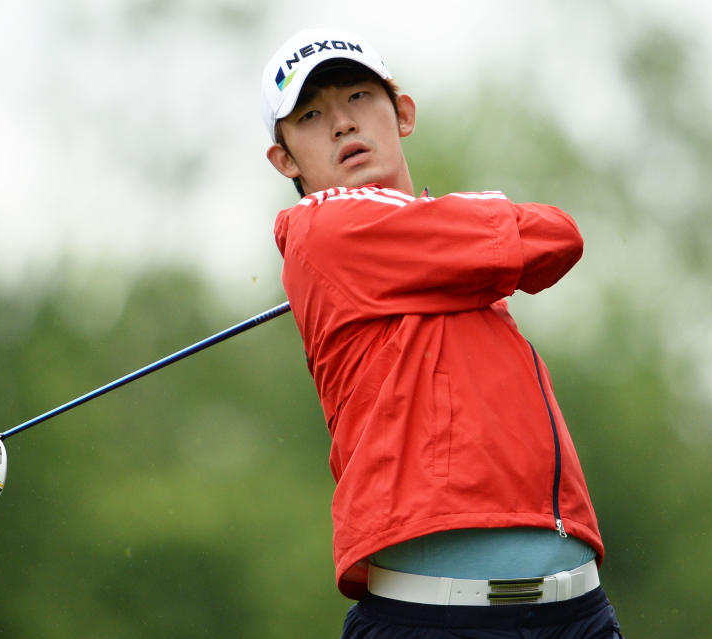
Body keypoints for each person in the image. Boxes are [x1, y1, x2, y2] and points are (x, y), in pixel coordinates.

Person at [261, 28, 624, 638]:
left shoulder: (439, 251)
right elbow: (552, 233)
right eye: (312, 114)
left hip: (577, 614)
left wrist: (441, 234)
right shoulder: (323, 230)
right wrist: (459, 231)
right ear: (286, 160)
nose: (342, 124)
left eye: (357, 97)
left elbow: (559, 244)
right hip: (433, 620)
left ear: (401, 112)